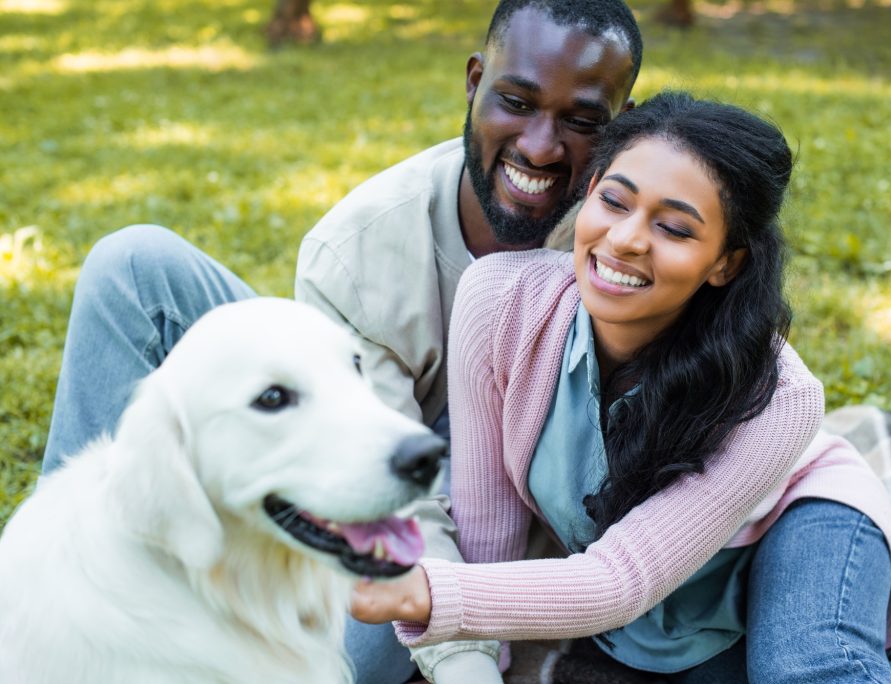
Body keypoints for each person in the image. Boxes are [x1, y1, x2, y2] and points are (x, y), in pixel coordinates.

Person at [38, 1, 642, 682]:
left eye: (583, 121)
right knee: (132, 264)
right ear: (474, 82)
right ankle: (63, 572)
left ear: (625, 124)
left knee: (336, 662)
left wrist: (461, 638)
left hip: (495, 486)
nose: (538, 146)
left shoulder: (629, 244)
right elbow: (367, 465)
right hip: (374, 450)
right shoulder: (360, 248)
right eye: (514, 101)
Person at [349, 90, 891, 683]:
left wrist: (422, 595)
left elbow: (619, 581)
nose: (626, 241)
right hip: (665, 612)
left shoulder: (780, 393)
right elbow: (486, 528)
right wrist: (476, 660)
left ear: (724, 264)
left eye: (674, 228)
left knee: (807, 672)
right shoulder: (498, 303)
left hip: (798, 523)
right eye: (613, 200)